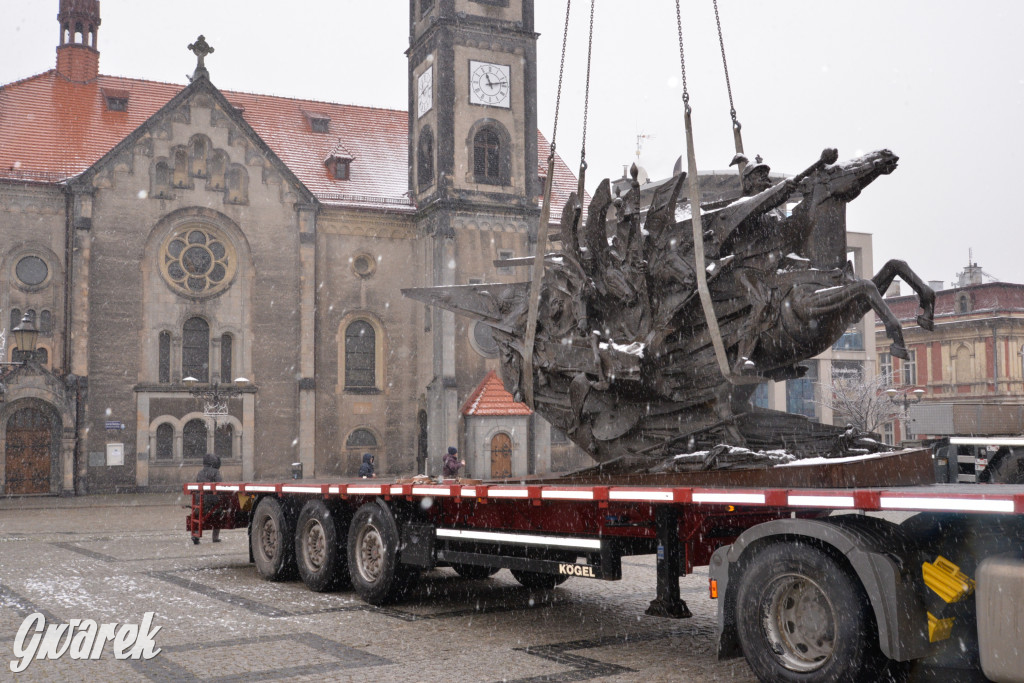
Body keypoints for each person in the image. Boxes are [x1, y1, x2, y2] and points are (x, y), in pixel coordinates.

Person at [192, 453, 223, 544]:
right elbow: (219, 485)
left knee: (198, 515)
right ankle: (215, 537)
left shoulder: (200, 472)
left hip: (200, 501)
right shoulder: (216, 472)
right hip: (212, 501)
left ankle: (195, 535)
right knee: (219, 514)